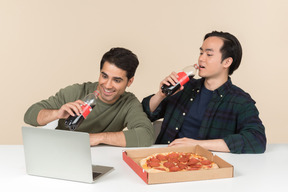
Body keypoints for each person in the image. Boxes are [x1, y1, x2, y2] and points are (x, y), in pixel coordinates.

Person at [142, 31, 266, 154]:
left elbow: (257, 140)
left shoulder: (240, 100)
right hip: (163, 160)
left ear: (227, 62)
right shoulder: (184, 87)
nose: (201, 58)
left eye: (209, 54)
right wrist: (160, 95)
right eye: (201, 52)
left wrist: (198, 144)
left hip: (205, 167)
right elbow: (144, 115)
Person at [24, 47, 154, 147]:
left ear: (129, 82)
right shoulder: (76, 92)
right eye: (104, 76)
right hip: (60, 150)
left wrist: (97, 138)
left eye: (117, 80)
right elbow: (30, 115)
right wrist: (57, 113)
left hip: (99, 158)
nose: (107, 85)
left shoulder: (129, 103)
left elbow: (146, 135)